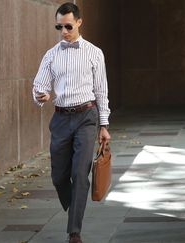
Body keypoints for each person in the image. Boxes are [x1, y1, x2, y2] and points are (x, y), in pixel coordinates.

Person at [32, 3, 111, 243]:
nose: (63, 31)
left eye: (68, 25)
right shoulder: (52, 54)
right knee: (58, 176)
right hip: (61, 118)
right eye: (59, 26)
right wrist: (41, 95)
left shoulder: (94, 52)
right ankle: (75, 201)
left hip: (87, 118)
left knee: (79, 173)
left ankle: (74, 231)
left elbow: (101, 91)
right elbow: (39, 85)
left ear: (79, 22)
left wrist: (104, 125)